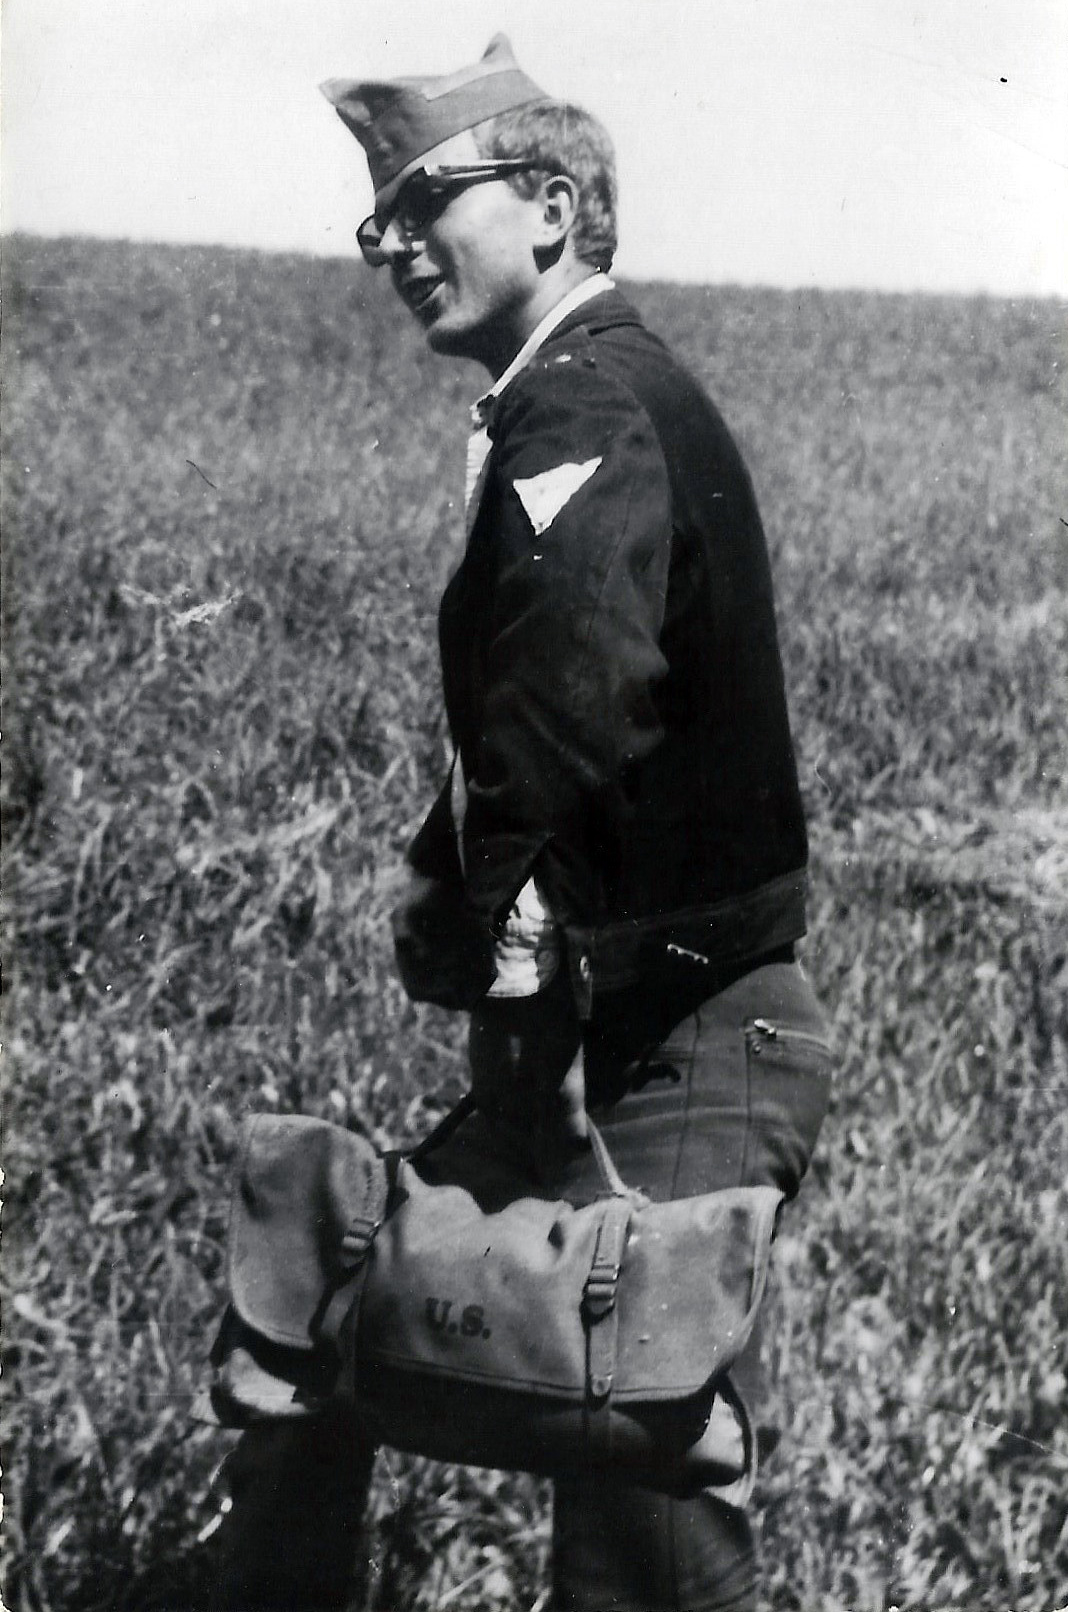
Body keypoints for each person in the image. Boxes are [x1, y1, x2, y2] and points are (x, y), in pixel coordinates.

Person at [205, 34, 833, 1612]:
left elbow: (566, 716)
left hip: (668, 1041)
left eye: (428, 200)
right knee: (325, 1328)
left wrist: (512, 987)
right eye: (380, 218)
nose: (393, 242)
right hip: (632, 1029)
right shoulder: (578, 393)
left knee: (642, 1505)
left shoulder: (586, 408)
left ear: (553, 207)